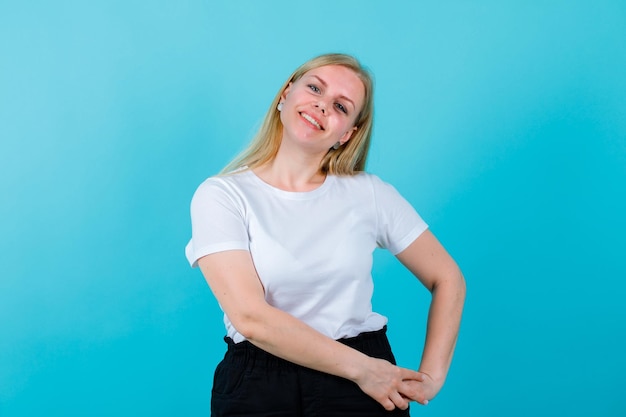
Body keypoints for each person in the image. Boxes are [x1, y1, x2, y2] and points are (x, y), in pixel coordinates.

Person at [185, 53, 466, 416]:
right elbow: (250, 317)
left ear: (346, 134)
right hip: (261, 383)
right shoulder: (222, 195)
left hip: (361, 389)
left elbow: (448, 278)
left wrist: (431, 376)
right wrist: (363, 370)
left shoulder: (370, 194)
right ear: (286, 95)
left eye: (340, 106)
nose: (321, 104)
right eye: (314, 87)